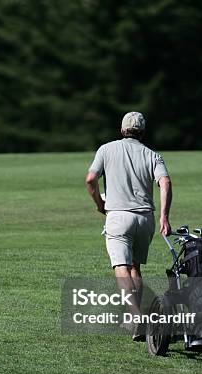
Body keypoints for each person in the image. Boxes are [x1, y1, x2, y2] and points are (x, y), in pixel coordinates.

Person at [85, 112, 172, 341]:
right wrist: (164, 216)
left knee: (120, 266)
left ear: (122, 130)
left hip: (118, 217)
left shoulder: (106, 149)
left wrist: (99, 204)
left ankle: (136, 317)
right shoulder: (153, 155)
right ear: (142, 132)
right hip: (145, 219)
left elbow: (90, 179)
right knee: (135, 267)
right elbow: (165, 182)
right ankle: (132, 318)